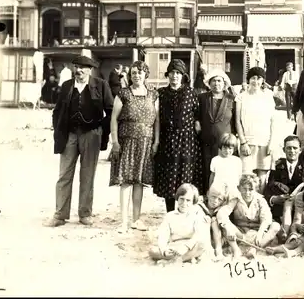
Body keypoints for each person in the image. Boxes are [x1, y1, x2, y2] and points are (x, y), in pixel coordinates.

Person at [44, 55, 114, 227]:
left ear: (90, 70)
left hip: (91, 135)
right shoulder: (67, 86)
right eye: (77, 67)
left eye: (83, 68)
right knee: (64, 176)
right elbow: (57, 111)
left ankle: (85, 214)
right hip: (70, 135)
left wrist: (100, 130)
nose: (79, 71)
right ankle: (60, 215)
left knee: (87, 175)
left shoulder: (101, 85)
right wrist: (59, 130)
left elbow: (110, 111)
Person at [109, 61, 159, 234]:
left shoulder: (153, 95)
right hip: (126, 141)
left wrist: (156, 142)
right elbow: (114, 118)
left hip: (146, 141)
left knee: (139, 182)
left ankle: (136, 220)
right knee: (126, 181)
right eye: (133, 73)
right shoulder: (123, 94)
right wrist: (114, 141)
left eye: (140, 72)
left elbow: (157, 121)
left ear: (146, 74)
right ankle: (123, 221)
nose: (136, 75)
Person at [155, 59, 203, 212]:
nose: (174, 76)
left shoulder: (190, 92)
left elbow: (197, 115)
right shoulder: (161, 93)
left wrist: (196, 124)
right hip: (167, 140)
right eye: (172, 73)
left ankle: (187, 212)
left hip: (187, 141)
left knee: (186, 176)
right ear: (167, 75)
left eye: (178, 73)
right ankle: (170, 213)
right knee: (169, 178)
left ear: (183, 76)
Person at [217, 174, 281, 259]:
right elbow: (222, 213)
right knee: (225, 225)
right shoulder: (236, 199)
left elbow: (266, 218)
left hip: (257, 233)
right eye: (244, 189)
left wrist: (260, 233)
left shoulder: (260, 200)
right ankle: (241, 249)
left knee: (276, 226)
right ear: (239, 188)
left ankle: (253, 249)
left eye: (250, 190)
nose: (247, 193)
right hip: (241, 233)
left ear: (256, 189)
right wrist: (228, 229)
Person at [235, 66, 276, 193]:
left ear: (263, 80)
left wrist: (271, 143)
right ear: (248, 80)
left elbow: (273, 122)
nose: (256, 81)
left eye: (259, 78)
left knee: (262, 178)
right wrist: (243, 142)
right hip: (247, 142)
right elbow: (237, 121)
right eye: (253, 78)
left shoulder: (268, 97)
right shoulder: (241, 97)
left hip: (264, 142)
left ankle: (259, 204)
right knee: (246, 176)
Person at [149, 184, 210, 264]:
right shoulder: (170, 216)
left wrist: (186, 247)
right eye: (182, 199)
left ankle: (176, 260)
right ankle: (184, 258)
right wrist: (164, 250)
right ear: (177, 198)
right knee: (152, 251)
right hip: (175, 246)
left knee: (202, 245)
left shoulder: (196, 215)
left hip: (190, 246)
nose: (184, 203)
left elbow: (198, 235)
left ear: (193, 202)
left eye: (188, 200)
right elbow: (163, 235)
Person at [198, 69, 237, 193]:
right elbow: (196, 114)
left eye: (219, 80)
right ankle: (208, 197)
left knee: (224, 171)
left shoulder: (231, 99)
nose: (216, 83)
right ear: (209, 83)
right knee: (208, 170)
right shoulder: (202, 98)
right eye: (213, 81)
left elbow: (235, 120)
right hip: (207, 141)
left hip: (225, 143)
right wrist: (197, 122)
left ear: (224, 83)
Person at [266, 186, 304, 258]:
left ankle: (292, 253)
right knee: (297, 241)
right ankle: (276, 249)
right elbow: (296, 226)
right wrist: (298, 226)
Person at [264, 135, 303, 224]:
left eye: (295, 148)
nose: (292, 151)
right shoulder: (277, 166)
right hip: (279, 209)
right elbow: (269, 187)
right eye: (289, 148)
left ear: (300, 150)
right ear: (284, 150)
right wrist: (274, 199)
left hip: (299, 210)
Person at [196, 184, 237, 260]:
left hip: (218, 239)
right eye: (213, 197)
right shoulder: (200, 204)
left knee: (214, 220)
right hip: (201, 238)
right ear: (208, 194)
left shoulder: (221, 209)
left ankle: (218, 250)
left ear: (223, 201)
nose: (215, 201)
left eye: (219, 199)